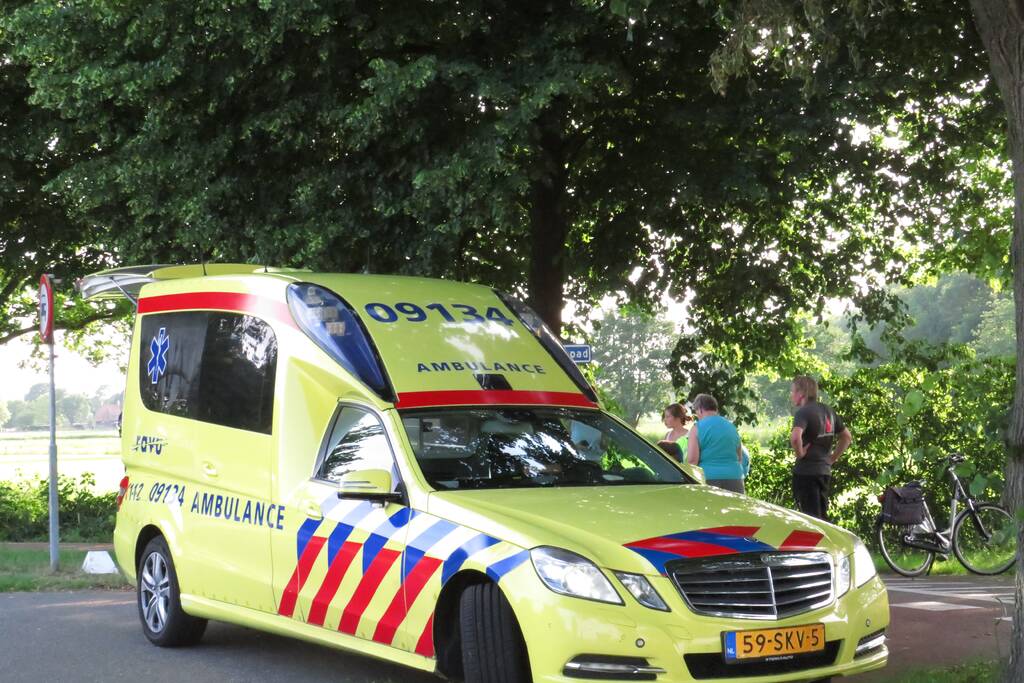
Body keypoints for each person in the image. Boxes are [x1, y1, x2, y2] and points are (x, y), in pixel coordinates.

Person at [789, 375, 852, 521]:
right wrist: (832, 458)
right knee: (821, 518)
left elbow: (795, 437)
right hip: (824, 473)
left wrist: (800, 453)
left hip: (806, 473)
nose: (791, 396)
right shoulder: (828, 411)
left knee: (809, 520)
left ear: (802, 393)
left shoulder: (803, 412)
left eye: (793, 392)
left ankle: (817, 544)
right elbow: (847, 437)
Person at [686, 394, 745, 493]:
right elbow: (739, 457)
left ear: (700, 409)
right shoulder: (731, 427)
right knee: (733, 508)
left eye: (696, 412)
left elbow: (692, 461)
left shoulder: (697, 428)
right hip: (735, 478)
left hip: (708, 478)